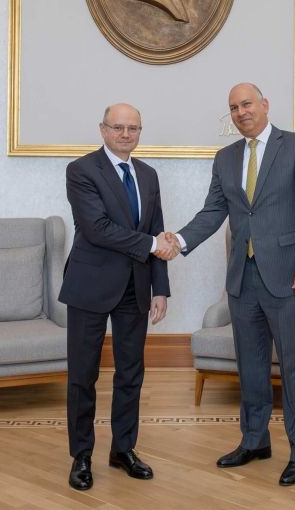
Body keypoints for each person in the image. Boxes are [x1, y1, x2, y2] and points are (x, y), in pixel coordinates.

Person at [166, 82, 295, 486]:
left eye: (247, 104)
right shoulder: (225, 158)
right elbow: (212, 212)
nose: (241, 112)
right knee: (251, 368)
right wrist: (179, 241)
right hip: (243, 278)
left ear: (265, 104)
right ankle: (255, 441)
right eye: (234, 108)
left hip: (290, 277)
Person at [58, 103, 178, 491]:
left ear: (140, 132)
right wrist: (152, 244)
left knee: (131, 373)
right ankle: (81, 455)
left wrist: (160, 288)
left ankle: (123, 449)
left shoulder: (148, 175)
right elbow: (97, 228)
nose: (125, 134)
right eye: (118, 127)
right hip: (90, 285)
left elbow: (157, 229)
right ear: (103, 130)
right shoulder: (81, 170)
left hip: (135, 288)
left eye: (133, 128)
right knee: (83, 375)